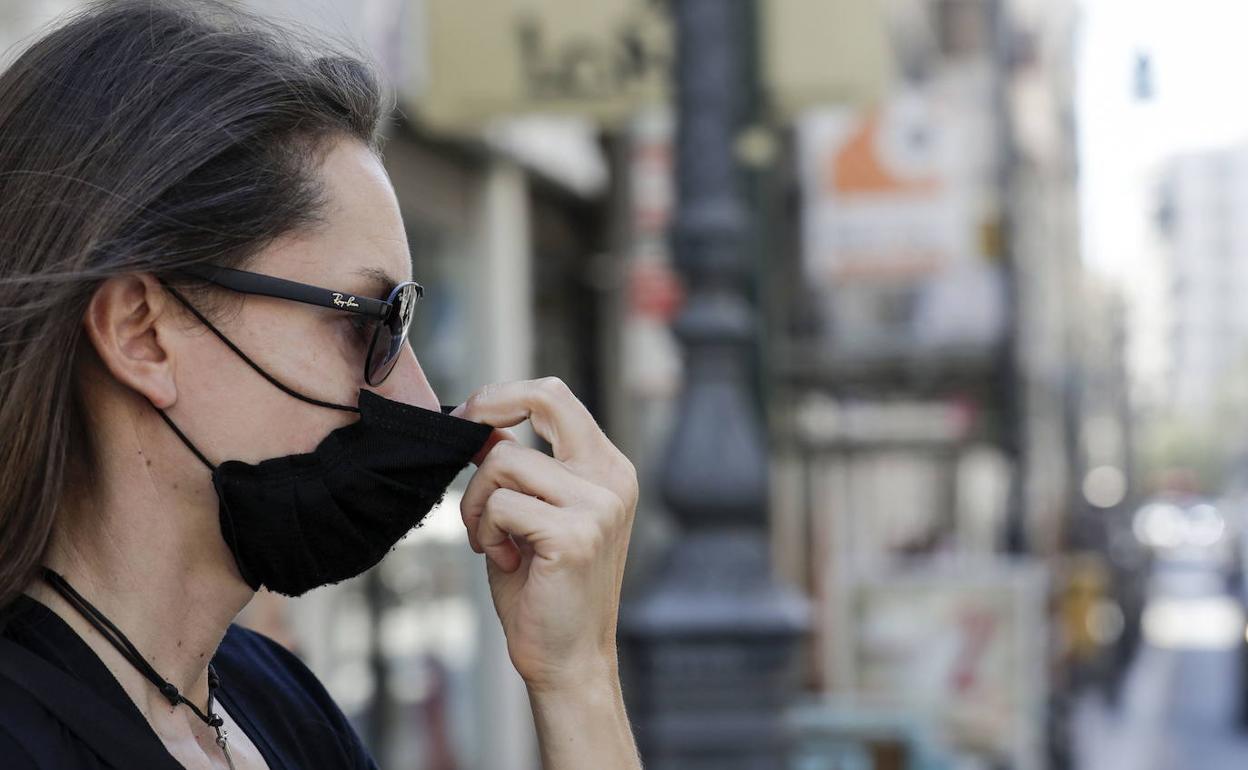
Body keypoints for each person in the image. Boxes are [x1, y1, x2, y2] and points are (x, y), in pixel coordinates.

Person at [0, 1, 641, 768]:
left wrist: (577, 679)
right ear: (142, 332)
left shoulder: (274, 703)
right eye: (367, 324)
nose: (413, 395)